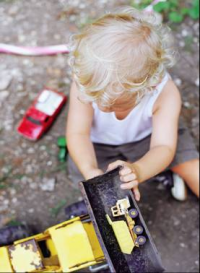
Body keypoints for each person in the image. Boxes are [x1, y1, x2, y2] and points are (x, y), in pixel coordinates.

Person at [66, 7, 199, 202]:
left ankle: (150, 169)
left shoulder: (165, 94)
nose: (101, 108)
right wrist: (89, 170)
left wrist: (138, 170)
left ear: (148, 87)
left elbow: (163, 146)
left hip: (149, 137)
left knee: (188, 164)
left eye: (113, 105)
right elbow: (78, 133)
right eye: (94, 100)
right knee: (95, 183)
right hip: (99, 144)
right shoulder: (85, 83)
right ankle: (153, 172)